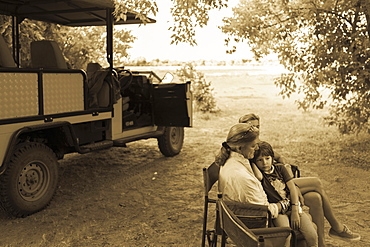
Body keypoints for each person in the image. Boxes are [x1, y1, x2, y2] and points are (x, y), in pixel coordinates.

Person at [239, 113, 361, 246]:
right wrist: (293, 192)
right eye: (250, 126)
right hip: (272, 192)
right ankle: (337, 227)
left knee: (315, 197)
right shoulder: (245, 149)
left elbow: (279, 158)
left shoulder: (258, 144)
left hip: (281, 182)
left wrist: (286, 171)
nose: (255, 130)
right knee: (316, 183)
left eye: (257, 126)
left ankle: (321, 243)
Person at [216, 123, 295, 246]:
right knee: (300, 227)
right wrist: (286, 203)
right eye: (253, 146)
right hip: (251, 231)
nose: (257, 148)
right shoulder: (241, 176)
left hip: (237, 220)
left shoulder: (232, 162)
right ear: (239, 148)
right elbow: (264, 212)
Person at [251, 141, 318, 247]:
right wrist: (252, 162)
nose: (264, 163)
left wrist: (295, 210)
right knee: (285, 236)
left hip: (292, 206)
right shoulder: (260, 176)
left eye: (267, 158)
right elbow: (258, 175)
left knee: (312, 235)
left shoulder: (280, 169)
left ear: (272, 158)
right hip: (279, 212)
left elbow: (292, 188)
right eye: (260, 160)